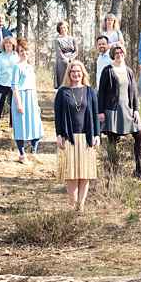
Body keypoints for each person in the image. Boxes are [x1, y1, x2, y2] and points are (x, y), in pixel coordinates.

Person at [54, 61, 100, 212]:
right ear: (69, 73)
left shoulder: (89, 91)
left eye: (78, 71)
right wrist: (59, 134)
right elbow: (58, 116)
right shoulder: (62, 92)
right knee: (71, 174)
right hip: (69, 138)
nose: (76, 74)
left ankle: (81, 206)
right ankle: (73, 205)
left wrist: (97, 134)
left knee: (84, 174)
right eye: (73, 71)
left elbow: (94, 114)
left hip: (86, 137)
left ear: (83, 73)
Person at [97, 45, 141, 178]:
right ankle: (113, 171)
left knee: (140, 134)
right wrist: (100, 111)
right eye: (116, 52)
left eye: (121, 52)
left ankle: (139, 171)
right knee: (112, 139)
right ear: (113, 55)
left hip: (128, 109)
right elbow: (101, 92)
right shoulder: (107, 70)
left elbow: (134, 91)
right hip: (112, 110)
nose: (119, 54)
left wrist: (136, 109)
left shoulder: (129, 71)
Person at [11, 38, 44, 163]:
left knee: (36, 125)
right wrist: (19, 103)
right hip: (21, 97)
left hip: (31, 98)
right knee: (21, 126)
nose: (24, 53)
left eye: (25, 51)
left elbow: (33, 85)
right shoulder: (17, 67)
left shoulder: (30, 67)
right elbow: (14, 86)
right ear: (18, 53)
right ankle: (22, 154)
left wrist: (36, 103)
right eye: (21, 51)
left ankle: (34, 152)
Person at [0, 36, 20, 128]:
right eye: (6, 43)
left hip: (13, 85)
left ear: (13, 45)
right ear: (3, 45)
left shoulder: (16, 56)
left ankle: (13, 124)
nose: (8, 45)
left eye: (10, 44)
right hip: (1, 84)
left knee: (13, 105)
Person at [53, 20, 78, 89]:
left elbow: (76, 51)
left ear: (67, 28)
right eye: (61, 28)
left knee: (72, 78)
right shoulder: (57, 40)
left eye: (64, 27)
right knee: (63, 81)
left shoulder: (72, 39)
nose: (63, 29)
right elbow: (59, 52)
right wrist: (66, 60)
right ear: (59, 30)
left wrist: (71, 59)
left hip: (72, 61)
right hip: (61, 62)